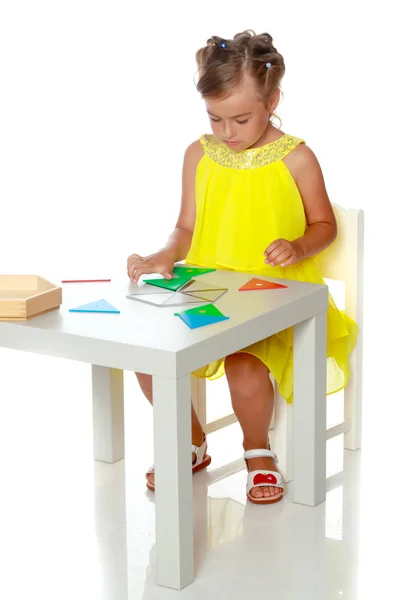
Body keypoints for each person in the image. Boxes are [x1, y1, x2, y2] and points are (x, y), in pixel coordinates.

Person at [127, 29, 358, 504]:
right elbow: (185, 228)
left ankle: (258, 452)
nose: (226, 132)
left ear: (272, 100)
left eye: (240, 118)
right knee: (147, 359)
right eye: (215, 118)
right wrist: (164, 254)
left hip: (274, 297)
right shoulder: (198, 154)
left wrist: (297, 246)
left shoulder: (296, 158)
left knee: (244, 368)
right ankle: (190, 441)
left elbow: (324, 225)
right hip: (209, 291)